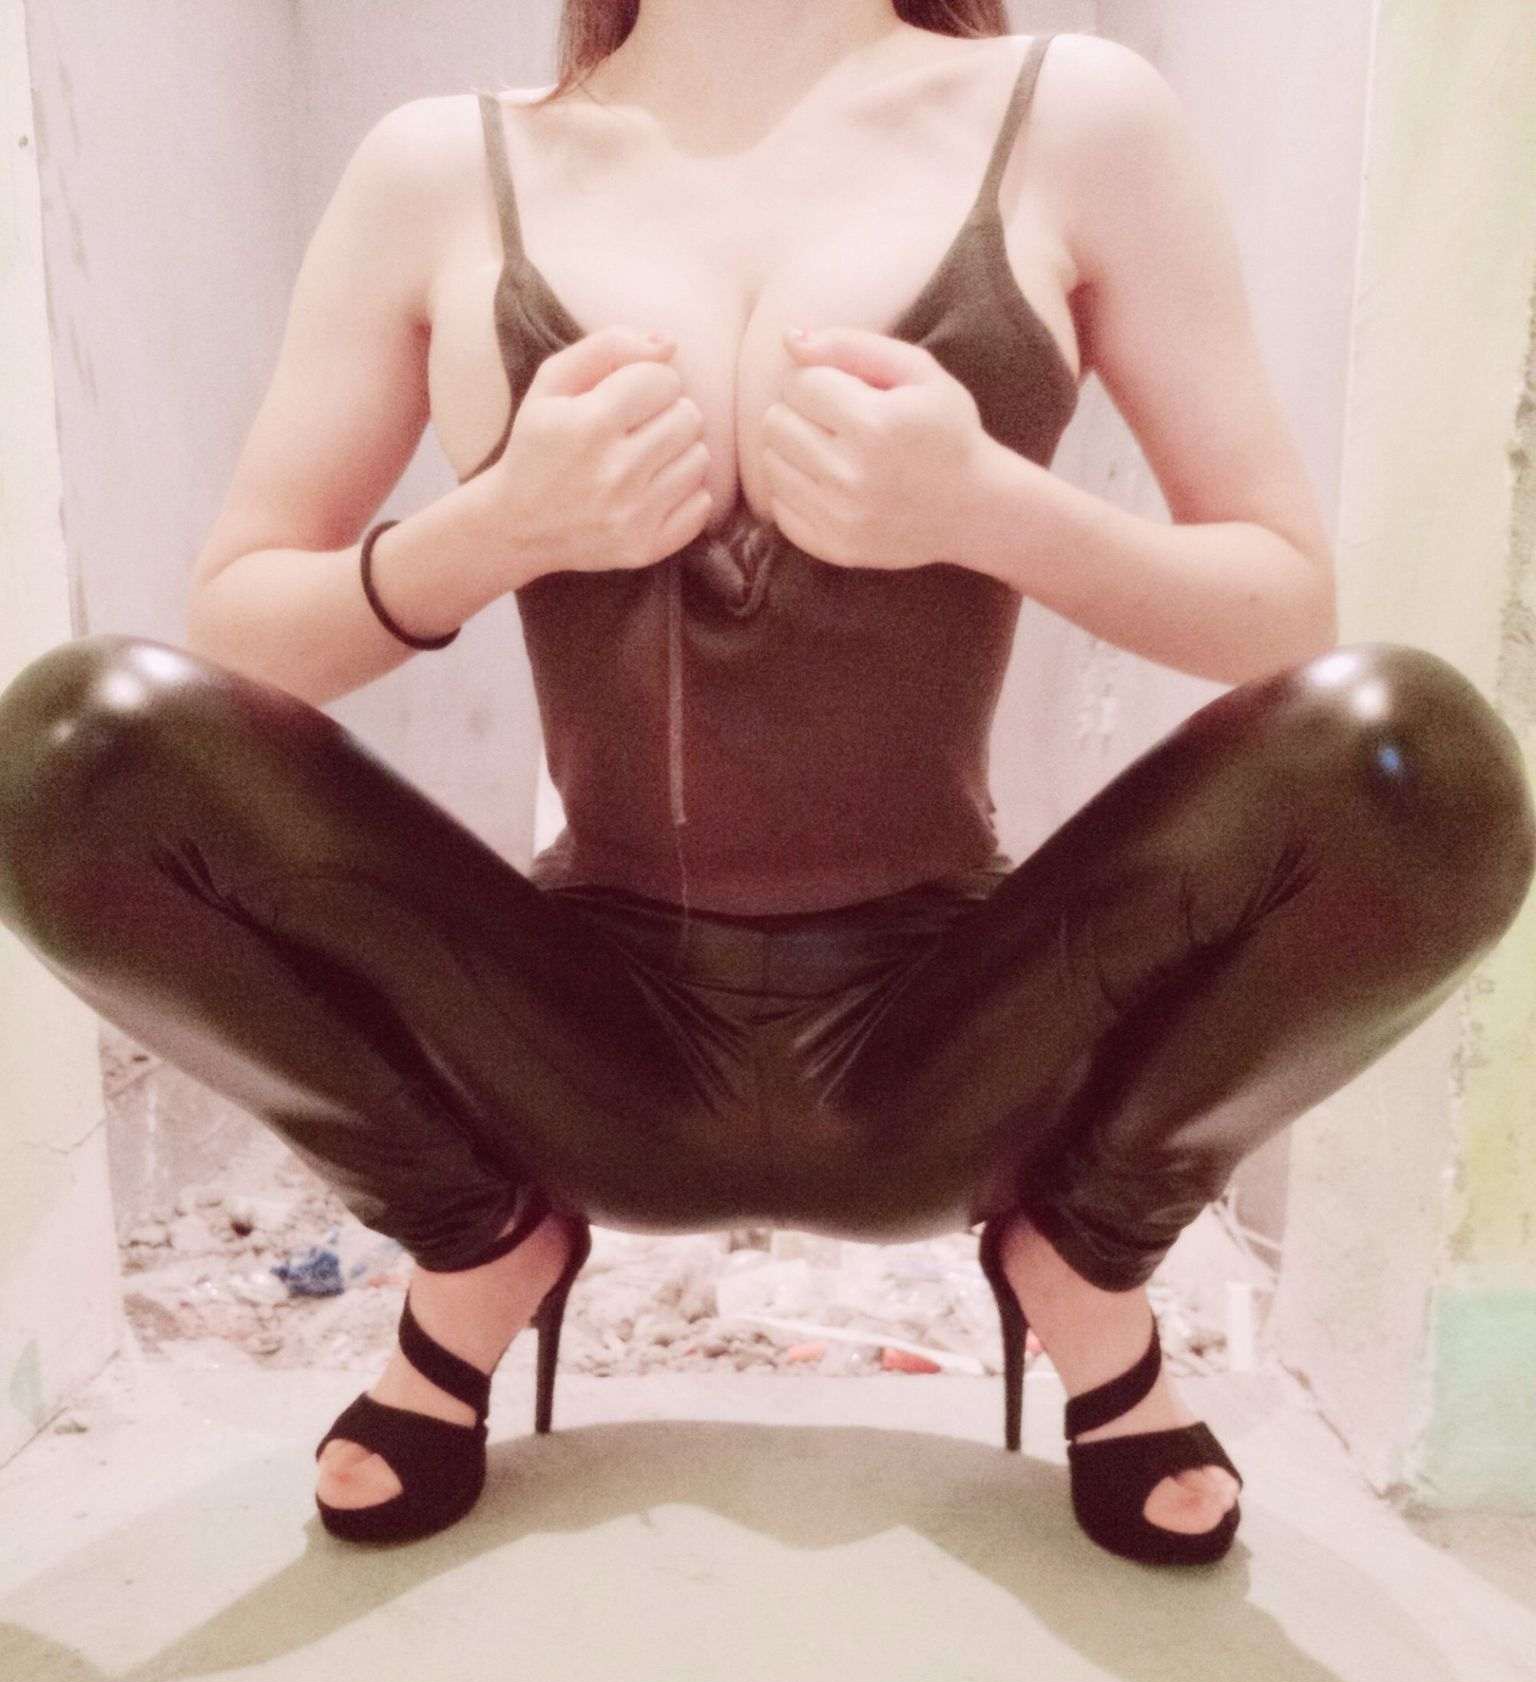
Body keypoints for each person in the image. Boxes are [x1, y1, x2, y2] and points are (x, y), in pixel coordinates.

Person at [1, 2, 1531, 1565]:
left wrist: (987, 507)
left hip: (953, 1046)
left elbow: (1281, 609)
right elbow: (239, 632)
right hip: (576, 1045)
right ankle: (475, 1250)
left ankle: (1085, 1260)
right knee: (79, 750)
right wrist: (501, 528)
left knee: (1413, 759)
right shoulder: (437, 174)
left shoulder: (1077, 121)